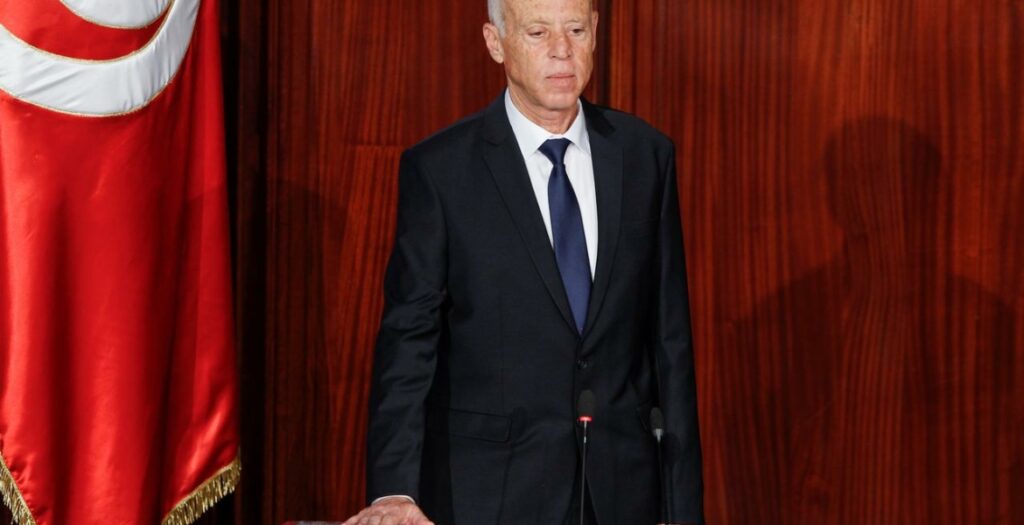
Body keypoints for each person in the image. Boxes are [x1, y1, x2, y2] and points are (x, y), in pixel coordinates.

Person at [344, 0, 703, 523]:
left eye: (575, 29)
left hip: (623, 491)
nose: (562, 51)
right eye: (538, 33)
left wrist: (684, 508)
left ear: (595, 31)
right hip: (492, 492)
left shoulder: (645, 156)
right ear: (496, 43)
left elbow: (670, 344)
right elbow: (409, 343)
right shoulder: (441, 171)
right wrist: (393, 490)